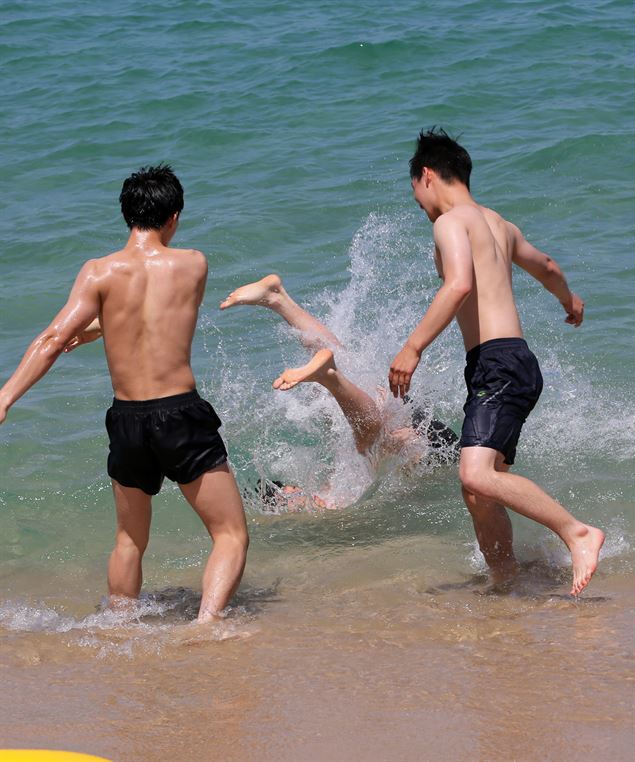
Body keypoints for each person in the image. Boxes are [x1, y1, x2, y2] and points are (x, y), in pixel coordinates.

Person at [0, 165, 249, 622]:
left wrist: (6, 396)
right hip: (180, 414)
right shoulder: (193, 263)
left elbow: (54, 339)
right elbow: (162, 315)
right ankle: (207, 623)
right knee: (230, 534)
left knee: (130, 538)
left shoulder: (98, 271)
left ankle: (117, 625)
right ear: (173, 216)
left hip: (128, 419)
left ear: (125, 214)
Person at [388, 128, 605, 596]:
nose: (419, 205)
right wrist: (571, 300)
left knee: (475, 474)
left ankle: (578, 533)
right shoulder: (498, 223)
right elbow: (545, 264)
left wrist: (413, 347)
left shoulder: (448, 223)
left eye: (416, 194)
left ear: (427, 176)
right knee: (480, 487)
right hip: (509, 362)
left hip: (497, 364)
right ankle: (504, 579)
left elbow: (459, 284)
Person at [220, 274, 459, 510]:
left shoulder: (326, 492)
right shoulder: (328, 488)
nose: (290, 504)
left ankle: (330, 376)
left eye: (284, 499)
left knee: (368, 442)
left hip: (432, 446)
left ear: (289, 489)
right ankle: (279, 300)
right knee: (365, 430)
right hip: (424, 439)